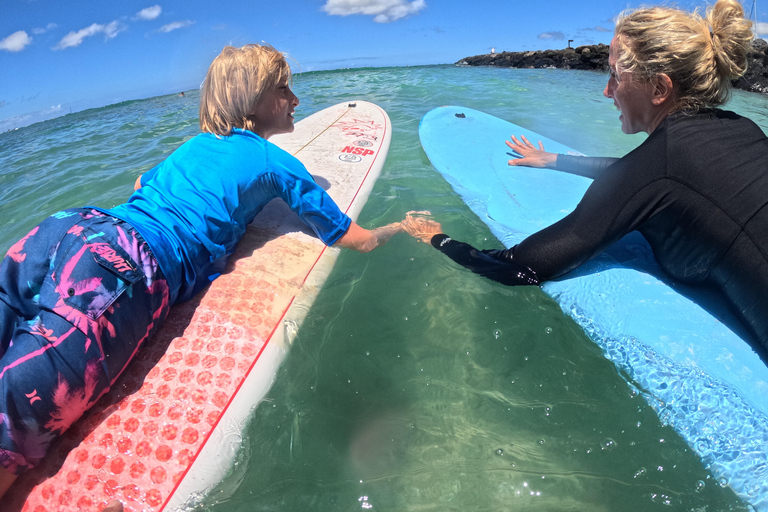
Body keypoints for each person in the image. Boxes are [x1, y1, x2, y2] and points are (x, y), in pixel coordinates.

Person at [0, 43, 405, 500]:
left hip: (70, 228)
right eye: (284, 88)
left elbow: (140, 184)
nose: (295, 99)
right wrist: (399, 227)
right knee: (18, 411)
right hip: (126, 267)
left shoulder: (195, 145)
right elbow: (351, 236)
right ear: (255, 101)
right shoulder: (276, 163)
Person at [403, 0, 768, 359]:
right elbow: (643, 175)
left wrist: (438, 238)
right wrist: (554, 160)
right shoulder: (744, 131)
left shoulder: (662, 164)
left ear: (659, 88)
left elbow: (521, 266)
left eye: (615, 76)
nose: (607, 91)